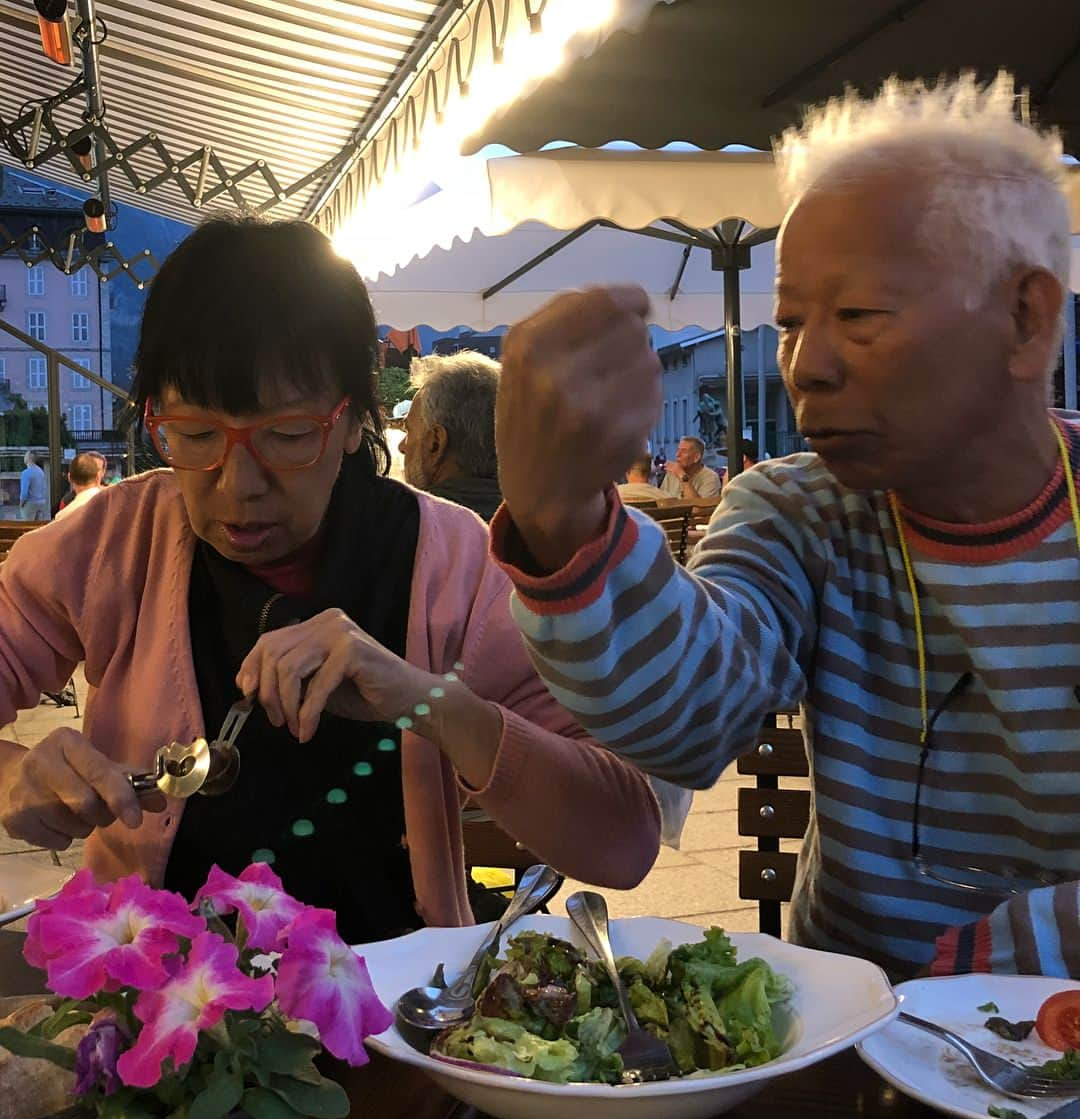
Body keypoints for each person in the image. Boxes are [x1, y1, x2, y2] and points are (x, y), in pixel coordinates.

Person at [490, 72, 1080, 981]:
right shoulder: (800, 513)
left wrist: (999, 964)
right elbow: (691, 717)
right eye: (793, 321)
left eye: (859, 315)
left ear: (1025, 318)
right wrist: (561, 522)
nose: (807, 364)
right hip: (854, 1057)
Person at [0, 216, 660, 944]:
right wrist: (15, 775)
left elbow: (624, 838)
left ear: (354, 420)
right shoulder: (112, 544)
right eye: (193, 434)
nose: (237, 483)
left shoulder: (455, 565)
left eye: (287, 435)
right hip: (151, 1006)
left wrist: (427, 701)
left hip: (392, 1008)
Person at [400, 352, 503, 522]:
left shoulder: (403, 528)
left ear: (436, 444)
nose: (402, 447)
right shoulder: (540, 526)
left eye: (408, 431)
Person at [660, 436, 722, 501]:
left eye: (683, 451)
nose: (677, 454)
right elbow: (662, 501)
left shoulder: (711, 478)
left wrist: (682, 475)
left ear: (696, 457)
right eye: (678, 450)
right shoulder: (671, 473)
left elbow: (700, 508)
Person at [19, 452, 47, 521]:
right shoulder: (41, 472)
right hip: (41, 503)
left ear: (28, 458)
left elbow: (24, 493)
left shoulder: (26, 473)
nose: (24, 457)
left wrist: (21, 504)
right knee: (38, 528)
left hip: (30, 504)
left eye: (25, 455)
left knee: (27, 528)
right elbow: (44, 488)